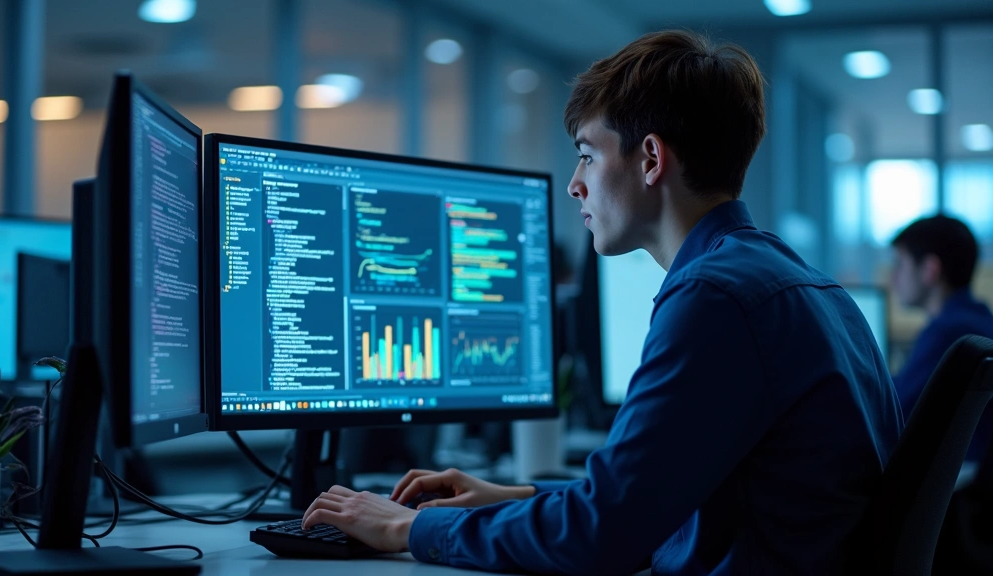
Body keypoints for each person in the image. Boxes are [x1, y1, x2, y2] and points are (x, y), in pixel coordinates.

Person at [300, 30, 903, 575]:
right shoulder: (803, 286)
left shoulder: (714, 297)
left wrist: (409, 526)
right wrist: (515, 498)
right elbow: (649, 501)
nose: (575, 183)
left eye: (588, 153)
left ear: (649, 159)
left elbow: (602, 536)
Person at [890, 215, 993, 460]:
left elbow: (894, 414)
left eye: (900, 265)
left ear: (930, 270)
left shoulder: (947, 333)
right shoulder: (979, 320)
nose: (894, 278)